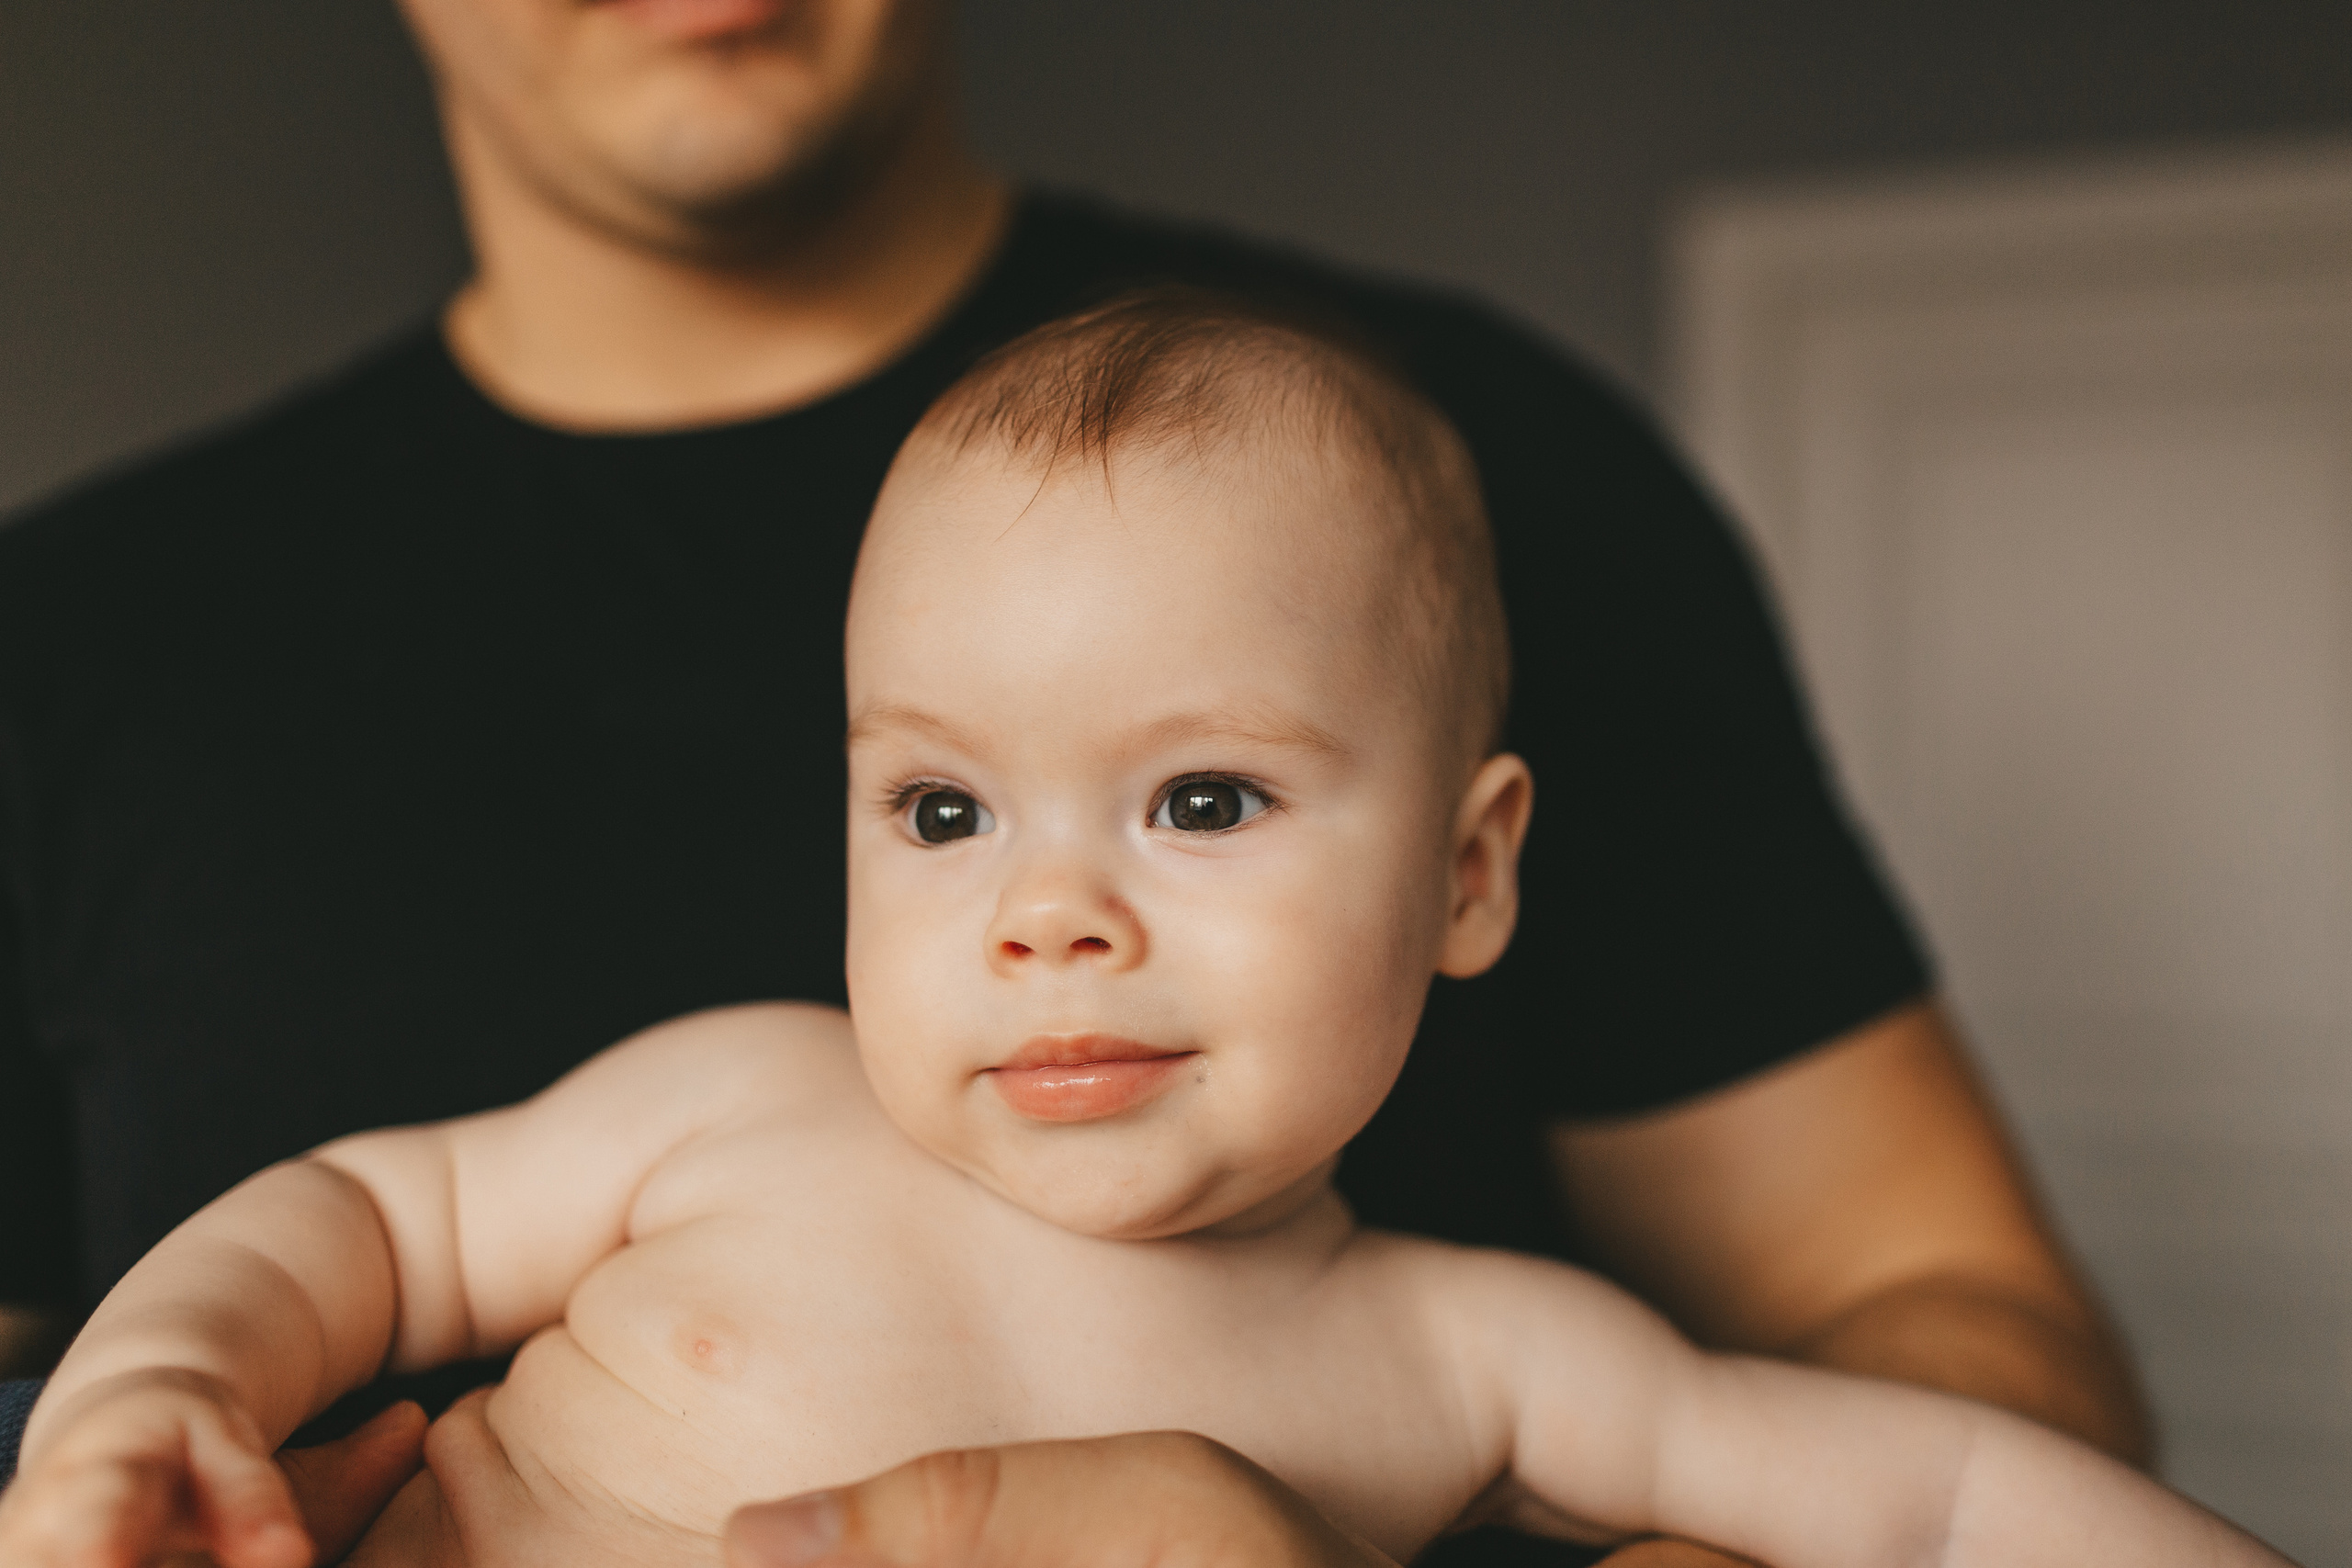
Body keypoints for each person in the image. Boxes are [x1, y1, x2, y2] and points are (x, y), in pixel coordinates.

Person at [0, 1, 2144, 1562]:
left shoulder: (1471, 1352)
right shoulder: (750, 1101)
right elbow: (369, 1216)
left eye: (1201, 800)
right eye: (939, 814)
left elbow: (1953, 1483)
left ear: (1471, 867)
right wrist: (155, 1388)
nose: (1047, 914)